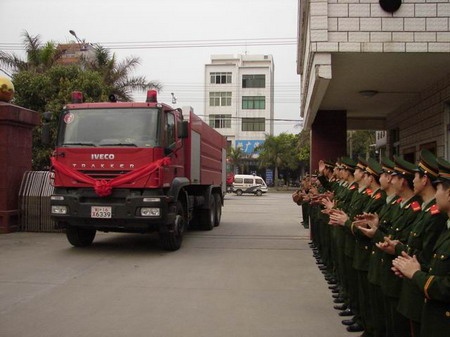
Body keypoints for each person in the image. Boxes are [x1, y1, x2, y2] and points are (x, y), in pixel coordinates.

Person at [393, 156, 450, 337]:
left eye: (439, 188)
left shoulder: (438, 218)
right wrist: (410, 268)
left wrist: (415, 273)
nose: (437, 194)